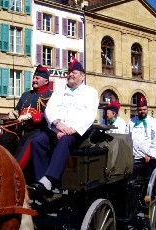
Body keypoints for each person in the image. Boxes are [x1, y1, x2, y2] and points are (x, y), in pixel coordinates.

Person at [30, 57, 99, 196]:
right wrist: (57, 124)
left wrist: (71, 130)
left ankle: (49, 179)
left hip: (76, 133)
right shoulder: (60, 90)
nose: (71, 74)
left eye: (74, 72)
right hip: (57, 129)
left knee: (64, 140)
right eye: (69, 72)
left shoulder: (90, 92)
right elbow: (49, 110)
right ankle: (40, 182)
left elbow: (90, 115)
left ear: (83, 76)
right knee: (37, 142)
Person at [5, 65, 53, 170]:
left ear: (45, 81)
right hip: (22, 129)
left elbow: (50, 115)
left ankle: (14, 172)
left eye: (37, 78)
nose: (34, 80)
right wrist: (13, 114)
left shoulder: (51, 96)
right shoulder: (25, 95)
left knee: (26, 141)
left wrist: (33, 116)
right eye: (34, 78)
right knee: (4, 139)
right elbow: (18, 109)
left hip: (39, 130)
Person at [126, 95, 156, 177]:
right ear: (137, 110)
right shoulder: (131, 121)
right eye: (140, 109)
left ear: (147, 109)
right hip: (134, 156)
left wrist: (149, 154)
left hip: (147, 157)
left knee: (147, 178)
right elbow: (127, 137)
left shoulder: (153, 122)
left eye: (144, 109)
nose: (142, 111)